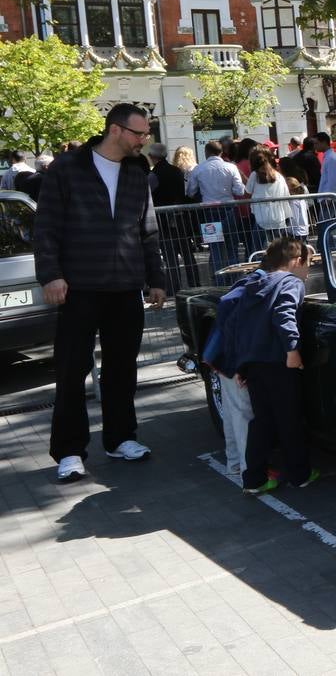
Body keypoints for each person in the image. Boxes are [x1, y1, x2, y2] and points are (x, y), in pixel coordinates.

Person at [34, 103, 166, 483]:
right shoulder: (67, 168)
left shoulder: (138, 173)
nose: (144, 140)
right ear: (115, 130)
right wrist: (51, 275)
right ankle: (69, 451)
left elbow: (148, 231)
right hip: (78, 287)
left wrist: (156, 279)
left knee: (122, 369)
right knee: (71, 371)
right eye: (139, 133)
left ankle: (121, 438)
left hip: (125, 287)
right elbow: (46, 226)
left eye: (146, 134)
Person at [208, 236, 317, 494]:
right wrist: (292, 350)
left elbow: (237, 325)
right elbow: (284, 314)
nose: (308, 271)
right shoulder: (290, 282)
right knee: (289, 419)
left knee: (262, 421)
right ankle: (300, 474)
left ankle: (254, 479)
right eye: (308, 264)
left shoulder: (254, 283)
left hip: (254, 363)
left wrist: (240, 365)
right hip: (279, 361)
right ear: (296, 261)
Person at [187, 140, 246, 282]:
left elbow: (190, 192)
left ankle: (219, 281)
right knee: (232, 247)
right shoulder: (231, 167)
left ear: (206, 152)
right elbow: (240, 190)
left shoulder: (199, 169)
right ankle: (235, 280)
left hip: (209, 212)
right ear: (221, 152)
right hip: (229, 210)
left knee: (215, 248)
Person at [146, 143, 197, 292]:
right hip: (180, 216)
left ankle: (174, 286)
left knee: (170, 255)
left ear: (152, 156)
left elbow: (146, 194)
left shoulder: (154, 175)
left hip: (163, 219)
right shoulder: (177, 171)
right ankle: (195, 283)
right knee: (187, 253)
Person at [245, 148, 292, 245]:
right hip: (279, 218)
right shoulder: (279, 176)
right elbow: (287, 195)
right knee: (279, 249)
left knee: (258, 249)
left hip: (262, 219)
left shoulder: (254, 175)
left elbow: (247, 193)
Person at [314, 132, 336, 200]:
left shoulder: (331, 158)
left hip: (331, 200)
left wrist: (328, 198)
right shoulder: (328, 156)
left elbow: (333, 180)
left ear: (324, 142)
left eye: (316, 143)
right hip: (328, 198)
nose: (315, 146)